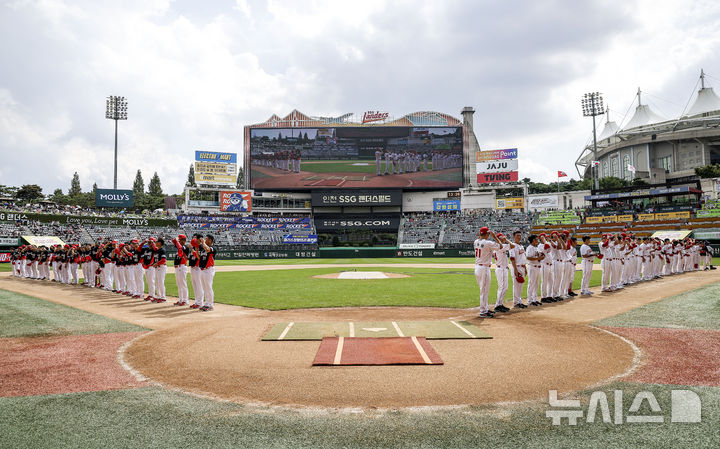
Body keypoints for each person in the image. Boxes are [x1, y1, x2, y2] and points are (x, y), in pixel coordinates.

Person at [473, 227, 502, 318]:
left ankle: (485, 308)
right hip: (484, 268)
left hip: (478, 267)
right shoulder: (488, 243)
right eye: (488, 234)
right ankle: (483, 311)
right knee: (484, 291)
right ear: (487, 234)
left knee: (484, 290)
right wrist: (495, 237)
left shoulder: (476, 241)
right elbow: (500, 246)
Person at [492, 233, 515, 313]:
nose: (504, 239)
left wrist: (504, 239)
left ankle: (500, 304)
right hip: (500, 269)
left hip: (504, 268)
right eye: (502, 238)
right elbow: (512, 246)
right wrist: (506, 240)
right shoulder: (499, 246)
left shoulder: (499, 246)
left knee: (505, 288)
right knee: (501, 288)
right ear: (499, 239)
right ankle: (497, 305)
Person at [509, 230, 528, 309]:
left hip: (522, 267)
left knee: (520, 286)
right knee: (516, 286)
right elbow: (512, 258)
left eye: (520, 235)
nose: (519, 237)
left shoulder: (521, 246)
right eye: (517, 236)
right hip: (516, 267)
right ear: (514, 237)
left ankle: (519, 301)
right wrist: (515, 270)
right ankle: (516, 303)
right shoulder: (512, 246)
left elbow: (523, 258)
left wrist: (525, 268)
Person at [197, 234, 216, 312]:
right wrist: (196, 248)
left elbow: (208, 249)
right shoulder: (203, 249)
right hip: (202, 270)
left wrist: (203, 243)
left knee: (208, 287)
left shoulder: (213, 248)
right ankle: (207, 303)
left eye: (206, 239)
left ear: (210, 241)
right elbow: (199, 257)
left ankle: (210, 305)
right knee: (205, 288)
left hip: (209, 270)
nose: (204, 239)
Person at [172, 234, 191, 306]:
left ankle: (185, 300)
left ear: (183, 240)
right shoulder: (179, 246)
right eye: (179, 240)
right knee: (179, 284)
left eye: (180, 240)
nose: (179, 241)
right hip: (178, 267)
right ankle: (181, 300)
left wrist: (177, 241)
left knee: (183, 284)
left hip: (182, 267)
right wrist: (176, 239)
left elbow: (180, 247)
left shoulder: (185, 247)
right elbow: (173, 241)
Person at [525, 235, 543, 306]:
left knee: (536, 284)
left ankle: (534, 299)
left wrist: (541, 257)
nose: (537, 240)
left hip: (537, 267)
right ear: (532, 240)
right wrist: (538, 258)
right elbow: (528, 257)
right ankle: (529, 300)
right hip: (532, 267)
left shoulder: (536, 248)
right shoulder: (529, 248)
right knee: (531, 284)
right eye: (536, 239)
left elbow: (537, 257)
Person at [188, 233, 205, 309]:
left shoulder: (201, 247)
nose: (194, 239)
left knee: (199, 286)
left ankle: (200, 302)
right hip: (192, 268)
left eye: (195, 238)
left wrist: (192, 249)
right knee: (195, 286)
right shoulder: (194, 247)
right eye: (193, 238)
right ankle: (196, 301)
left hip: (198, 268)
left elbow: (198, 257)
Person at [152, 238, 167, 303]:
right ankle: (158, 296)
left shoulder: (162, 250)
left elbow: (163, 260)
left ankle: (163, 297)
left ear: (160, 243)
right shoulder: (157, 250)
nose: (156, 242)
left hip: (161, 267)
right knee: (157, 282)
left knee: (160, 282)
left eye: (157, 242)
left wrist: (157, 263)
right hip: (157, 267)